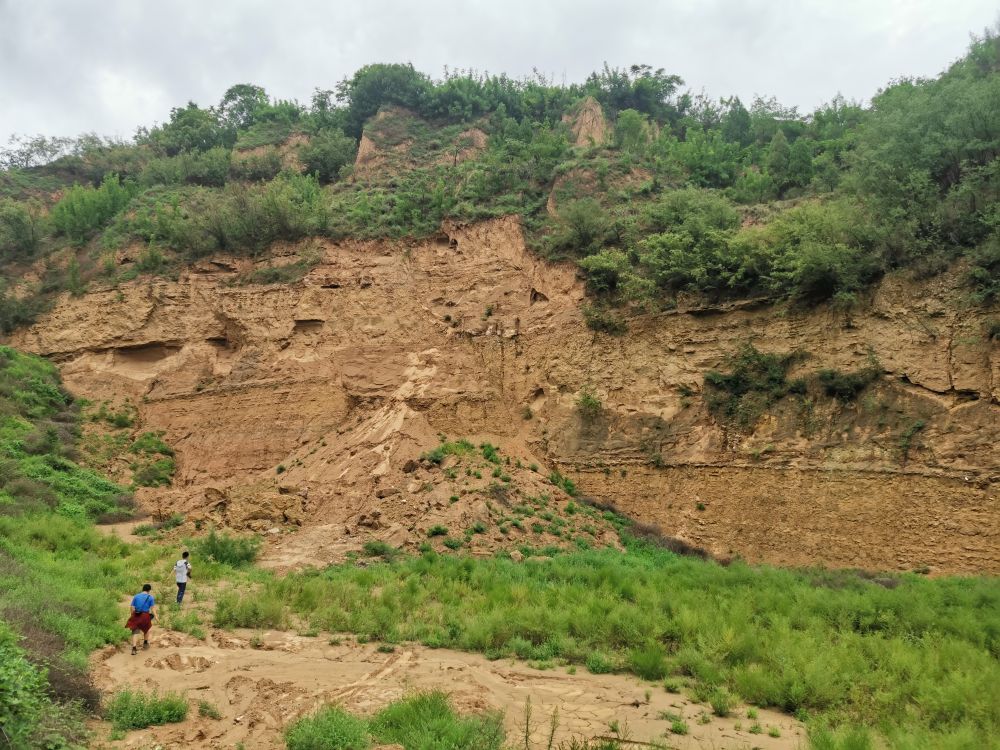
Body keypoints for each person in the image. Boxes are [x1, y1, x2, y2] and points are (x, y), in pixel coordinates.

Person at [126, 584, 156, 655]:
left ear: (143, 589)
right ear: (149, 590)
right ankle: (145, 643)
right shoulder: (150, 597)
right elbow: (153, 608)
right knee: (146, 629)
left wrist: (132, 615)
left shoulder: (136, 596)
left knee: (135, 632)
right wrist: (156, 616)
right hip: (145, 615)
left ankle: (134, 648)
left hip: (136, 615)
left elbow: (132, 607)